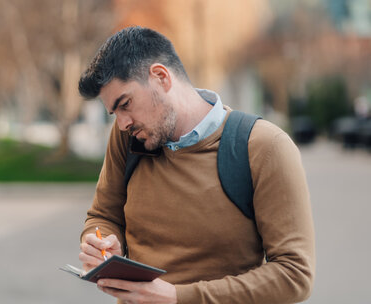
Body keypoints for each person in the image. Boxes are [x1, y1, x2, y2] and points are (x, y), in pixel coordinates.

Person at [77, 26, 315, 304]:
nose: (122, 122)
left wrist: (180, 297)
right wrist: (102, 242)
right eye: (114, 112)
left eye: (125, 104)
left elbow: (295, 274)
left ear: (160, 77)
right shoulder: (126, 139)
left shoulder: (264, 146)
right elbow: (103, 216)